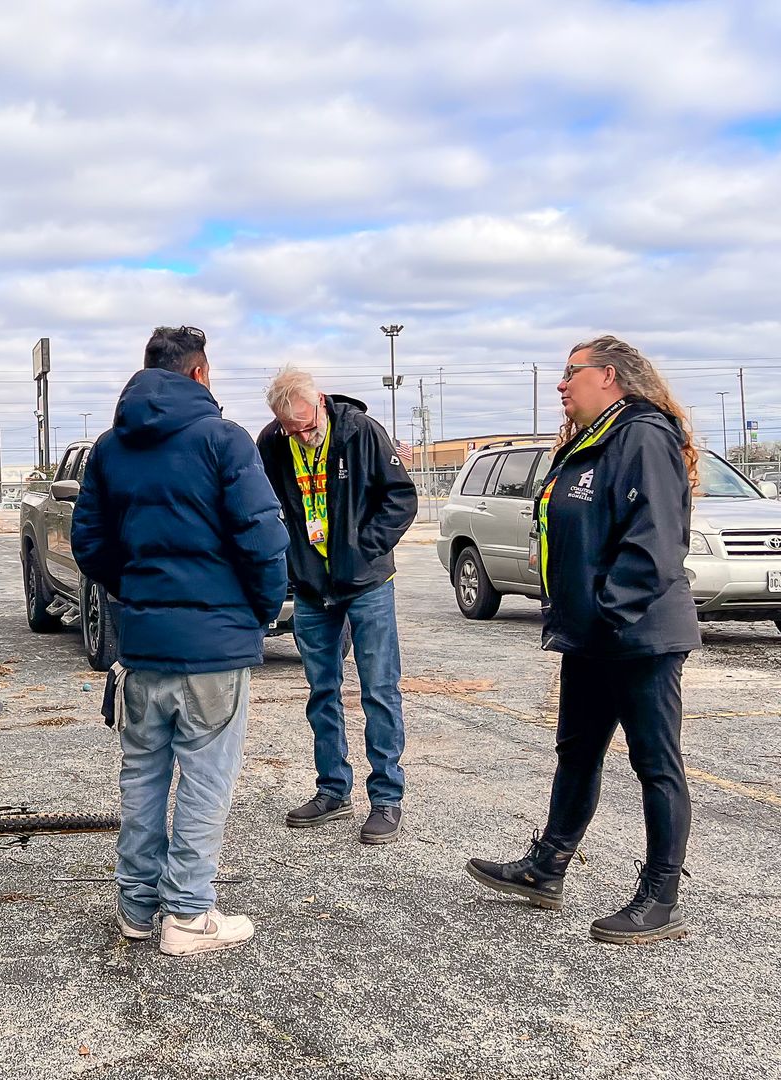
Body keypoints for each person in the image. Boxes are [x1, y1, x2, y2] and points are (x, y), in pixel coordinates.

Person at [464, 335, 701, 944]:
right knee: (577, 752)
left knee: (656, 766)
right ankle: (547, 868)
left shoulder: (644, 437)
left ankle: (661, 896)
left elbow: (655, 543)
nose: (562, 384)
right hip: (590, 636)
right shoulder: (587, 443)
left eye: (572, 373)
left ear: (612, 377)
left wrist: (607, 612)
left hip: (637, 636)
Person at [72, 326, 289, 957]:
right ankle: (189, 916)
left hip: (143, 646)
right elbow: (263, 541)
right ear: (199, 374)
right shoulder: (225, 441)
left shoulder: (111, 450)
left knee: (141, 776)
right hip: (213, 648)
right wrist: (257, 612)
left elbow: (91, 544)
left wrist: (137, 596)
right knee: (205, 780)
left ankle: (137, 909)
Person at [257, 368, 418, 844]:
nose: (302, 437)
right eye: (292, 430)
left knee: (379, 690)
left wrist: (362, 548)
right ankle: (333, 789)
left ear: (320, 403)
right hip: (311, 587)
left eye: (307, 426)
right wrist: (289, 559)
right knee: (321, 690)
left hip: (367, 584)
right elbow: (265, 506)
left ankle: (386, 798)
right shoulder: (272, 442)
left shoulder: (360, 431)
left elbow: (400, 499)